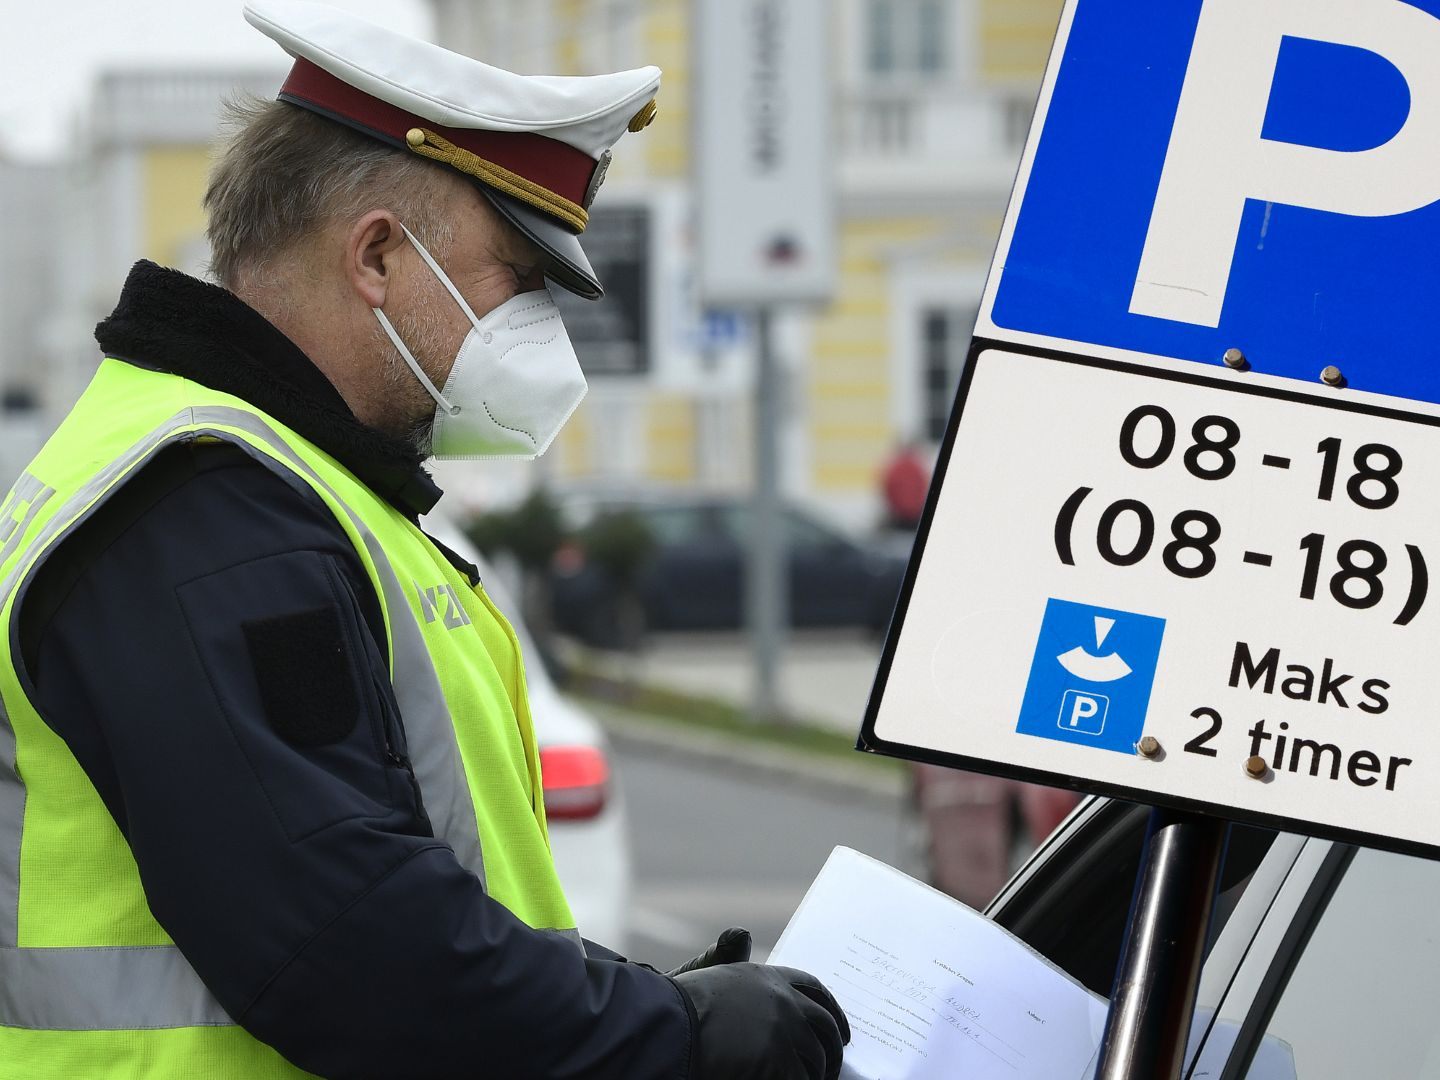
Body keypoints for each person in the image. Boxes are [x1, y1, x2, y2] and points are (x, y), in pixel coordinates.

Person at [0, 2, 850, 1078]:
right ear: (378, 258)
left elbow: (435, 890)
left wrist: (644, 1003)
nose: (536, 334)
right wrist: (674, 1036)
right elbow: (343, 932)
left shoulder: (291, 492)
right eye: (518, 282)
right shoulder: (209, 510)